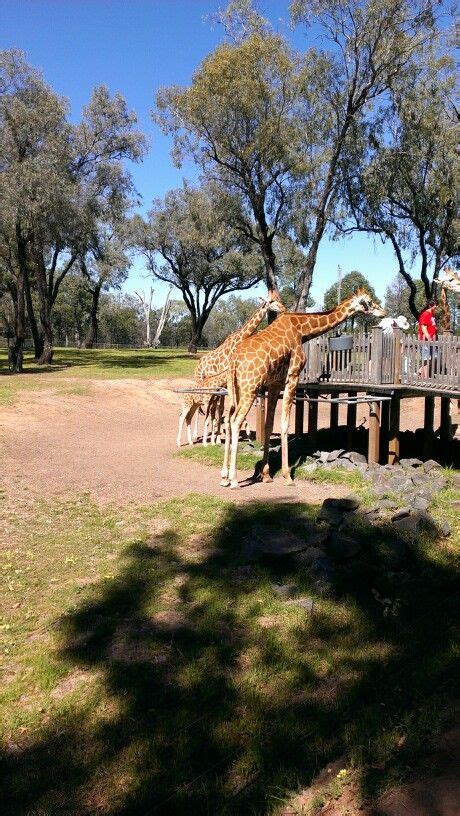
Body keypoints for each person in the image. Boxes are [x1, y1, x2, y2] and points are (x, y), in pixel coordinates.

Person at [417, 300, 437, 378]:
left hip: (432, 340)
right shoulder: (425, 314)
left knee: (435, 357)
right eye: (435, 305)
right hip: (425, 340)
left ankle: (420, 371)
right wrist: (428, 336)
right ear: (430, 306)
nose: (436, 307)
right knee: (426, 359)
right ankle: (425, 377)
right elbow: (423, 327)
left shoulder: (432, 315)